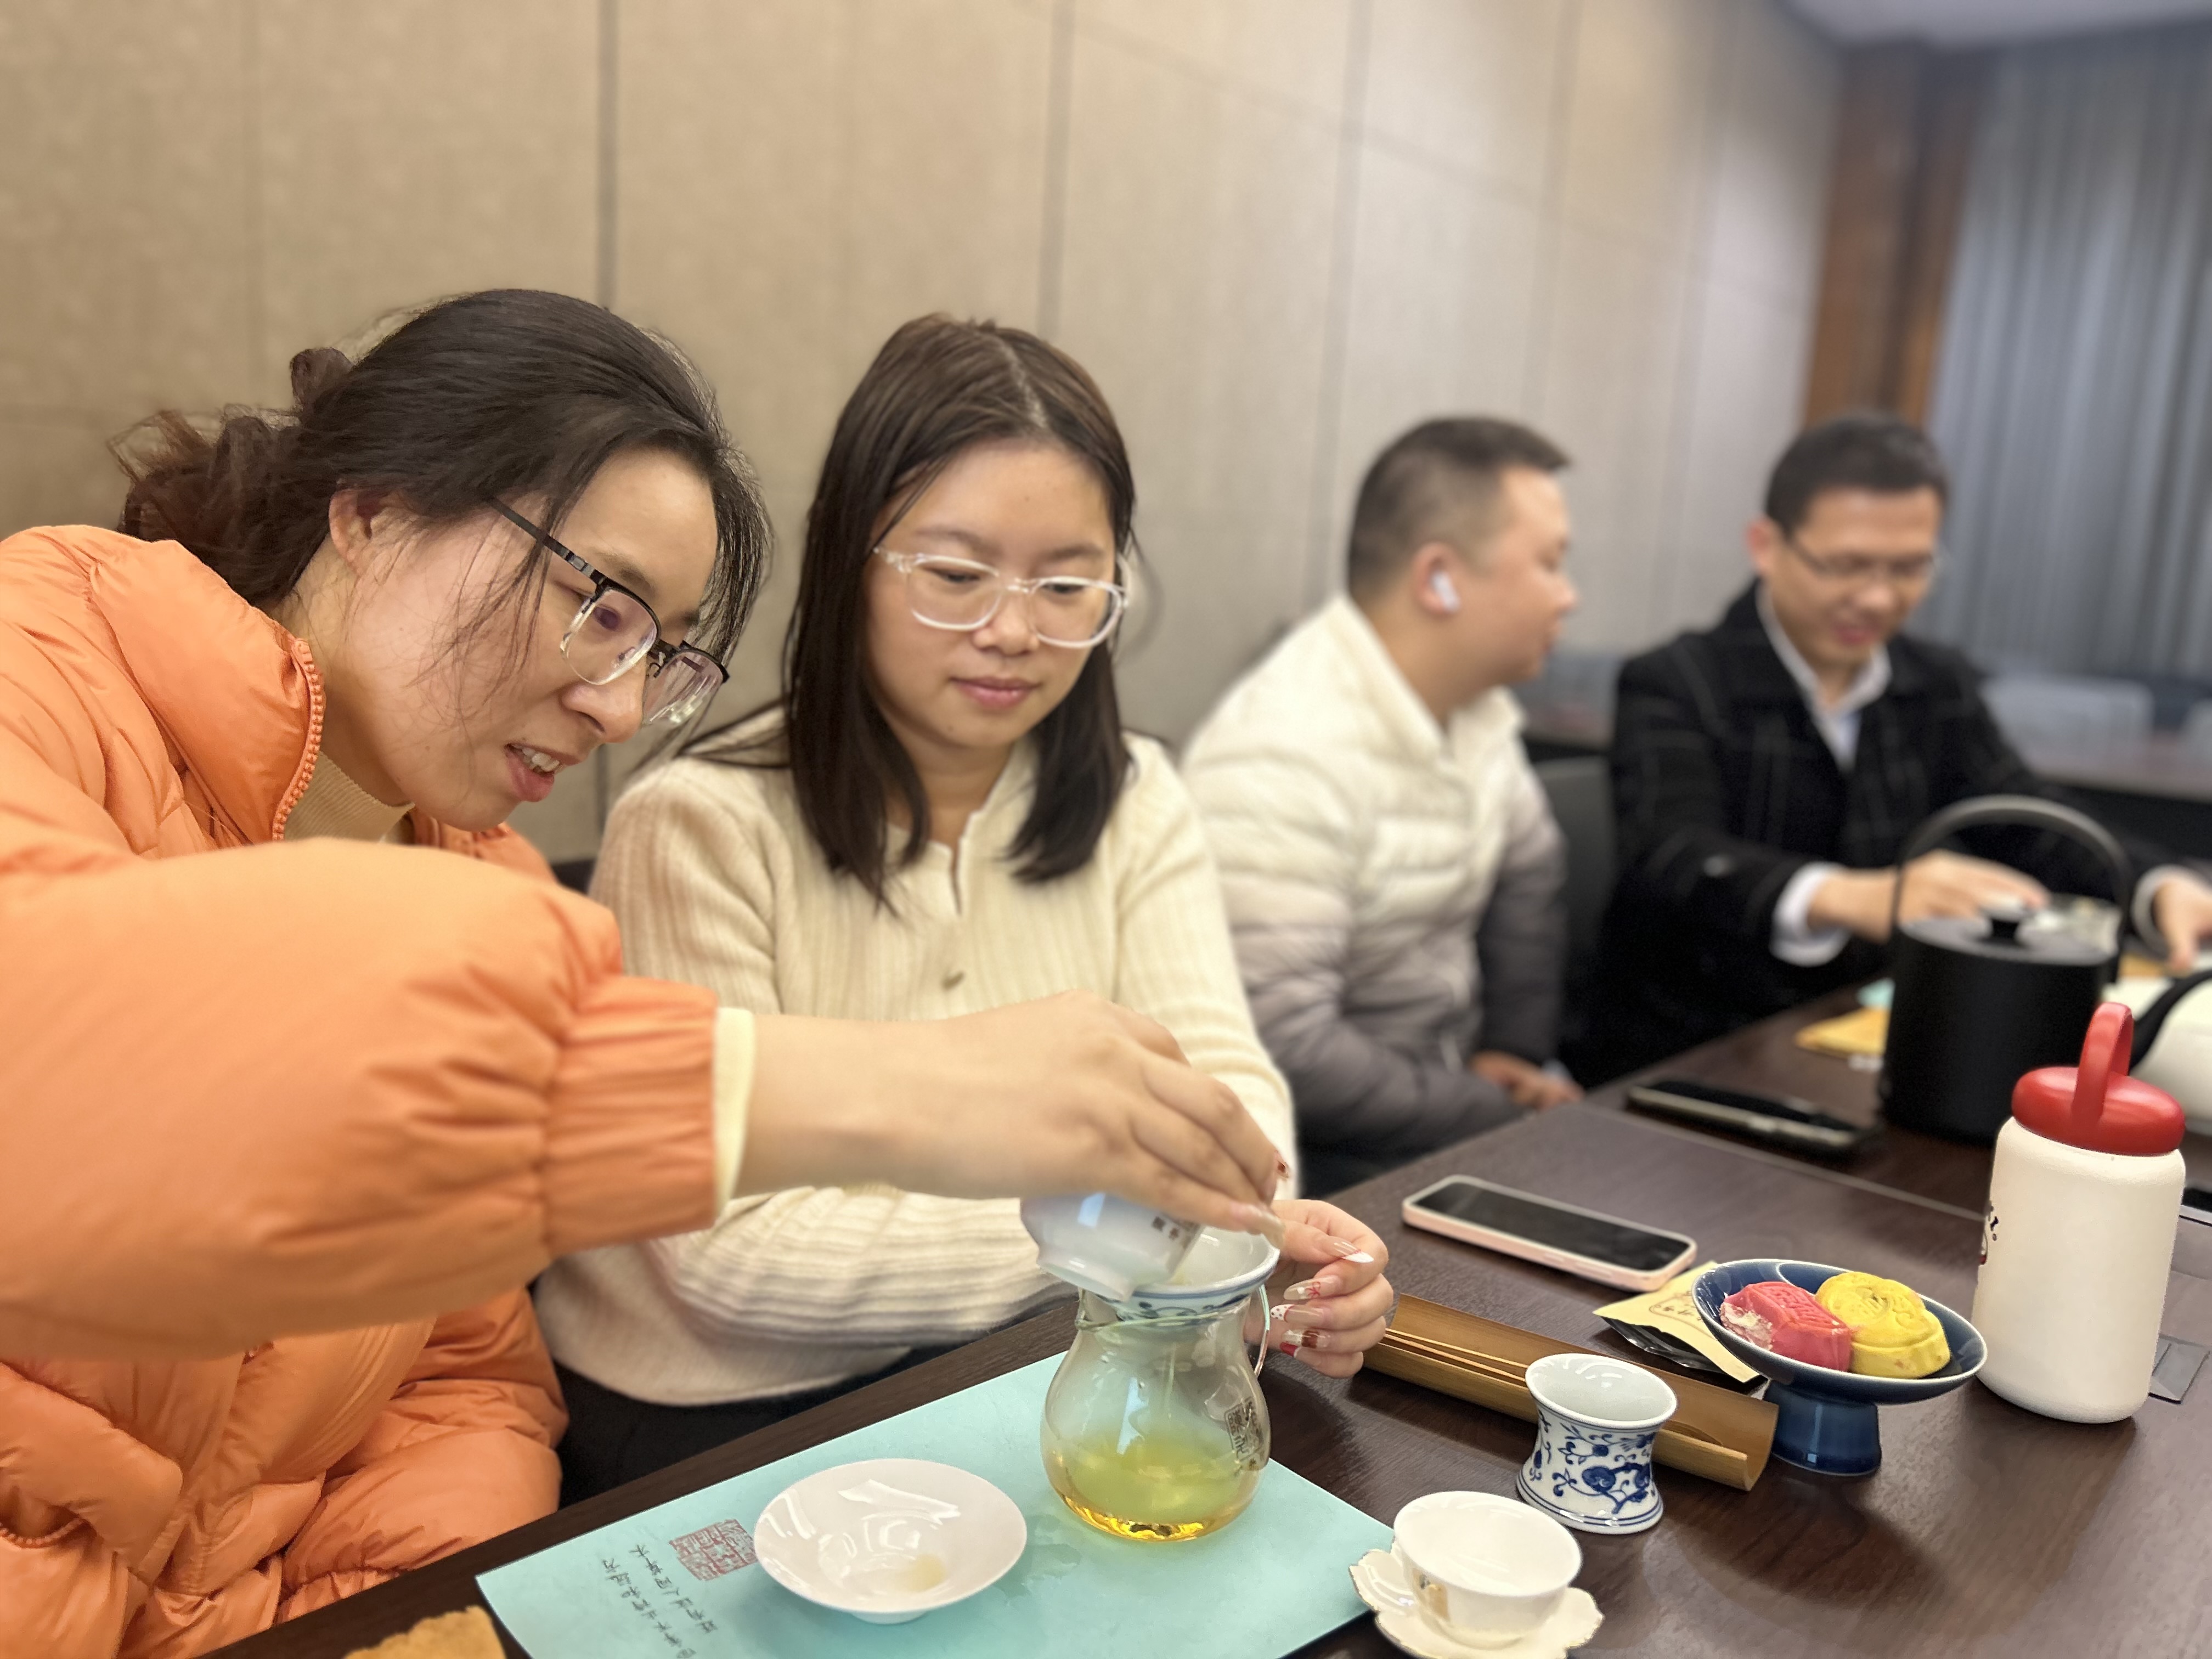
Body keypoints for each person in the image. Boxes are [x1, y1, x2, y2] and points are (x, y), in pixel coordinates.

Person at [0, 292, 1288, 1658]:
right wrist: (896, 1097)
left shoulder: (488, 882)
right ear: (373, 510)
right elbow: (65, 1059)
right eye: (598, 608)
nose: (619, 710)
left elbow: (466, 1386)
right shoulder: (46, 658)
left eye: (660, 655)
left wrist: (400, 1620)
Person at [538, 315, 1395, 1500]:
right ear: (851, 559)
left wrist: (1253, 1238)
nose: (1012, 631)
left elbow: (1230, 1107)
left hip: (1032, 1356)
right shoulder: (697, 824)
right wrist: (1146, 1243)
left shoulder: (1136, 797)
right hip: (719, 1410)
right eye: (954, 576)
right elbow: (729, 1259)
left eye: (1068, 584)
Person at [1582, 412, 2212, 1079]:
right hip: (1690, 1050)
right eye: (1846, 566)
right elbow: (1671, 851)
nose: (1878, 599)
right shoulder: (1678, 681)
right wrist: (1851, 896)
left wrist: (2154, 883)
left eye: (1910, 568)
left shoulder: (1934, 683)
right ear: (1766, 546)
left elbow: (2020, 808)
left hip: (1875, 1037)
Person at [1183, 417, 1582, 1197]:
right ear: (1439, 580)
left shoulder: (1478, 707)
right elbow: (1287, 1047)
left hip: (1454, 1101)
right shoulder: (1281, 749)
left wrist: (1514, 1055)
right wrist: (1495, 1111)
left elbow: (1531, 876)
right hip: (1323, 1159)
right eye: (1549, 564)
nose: (1568, 596)